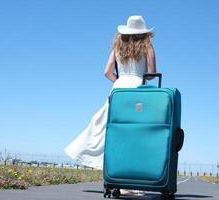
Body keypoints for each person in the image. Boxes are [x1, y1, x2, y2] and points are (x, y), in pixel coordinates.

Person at [64, 16, 156, 172]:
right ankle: (128, 171)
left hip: (118, 89)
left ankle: (86, 154)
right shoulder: (147, 47)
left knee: (104, 125)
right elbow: (152, 73)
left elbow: (107, 72)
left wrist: (120, 81)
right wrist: (138, 77)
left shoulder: (118, 47)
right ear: (144, 32)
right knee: (133, 132)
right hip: (137, 90)